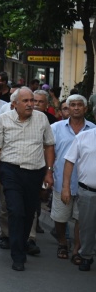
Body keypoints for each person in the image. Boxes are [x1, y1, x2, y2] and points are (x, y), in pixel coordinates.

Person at [0, 87, 55, 271]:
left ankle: (23, 241)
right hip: (10, 171)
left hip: (35, 172)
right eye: (25, 101)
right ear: (14, 104)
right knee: (15, 211)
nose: (30, 104)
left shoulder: (41, 119)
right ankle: (18, 255)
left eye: (32, 100)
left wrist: (49, 171)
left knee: (28, 212)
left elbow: (49, 146)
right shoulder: (3, 120)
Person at [51, 95, 94, 264]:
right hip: (62, 180)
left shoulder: (92, 130)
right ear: (67, 108)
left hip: (85, 183)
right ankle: (62, 242)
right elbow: (50, 153)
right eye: (72, 105)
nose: (76, 108)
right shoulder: (55, 128)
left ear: (86, 109)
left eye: (80, 105)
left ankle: (77, 249)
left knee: (81, 219)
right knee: (60, 217)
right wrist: (48, 173)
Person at [61, 123, 96, 271]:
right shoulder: (83, 137)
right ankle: (86, 256)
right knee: (87, 227)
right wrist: (66, 187)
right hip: (88, 191)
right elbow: (69, 162)